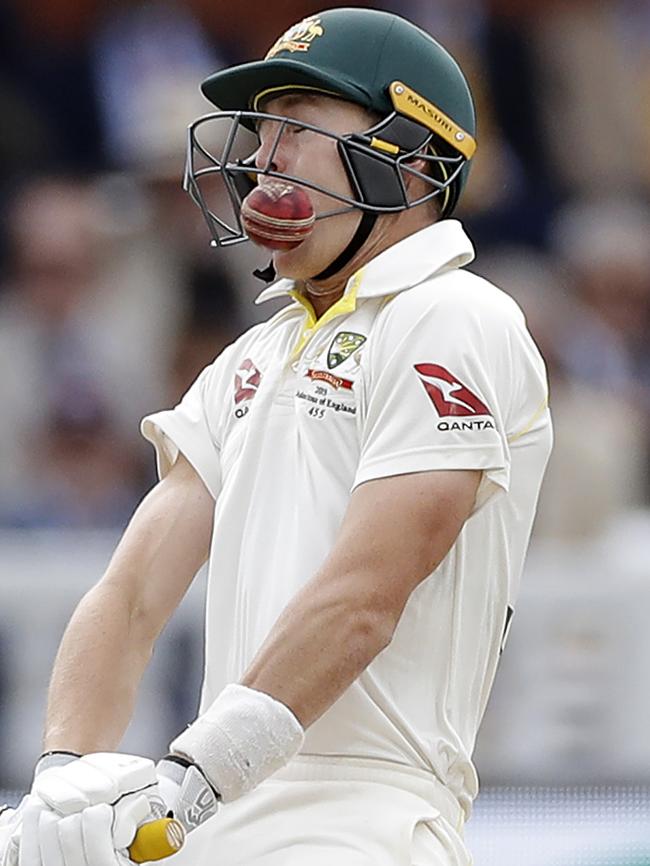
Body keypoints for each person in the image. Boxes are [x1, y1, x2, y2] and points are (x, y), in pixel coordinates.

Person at [0, 8, 552, 866]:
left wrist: (189, 782)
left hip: (363, 814)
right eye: (260, 131)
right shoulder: (252, 354)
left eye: (296, 126)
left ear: (408, 162)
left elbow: (366, 596)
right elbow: (132, 592)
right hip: (220, 808)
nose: (262, 158)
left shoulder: (457, 315)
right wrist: (67, 775)